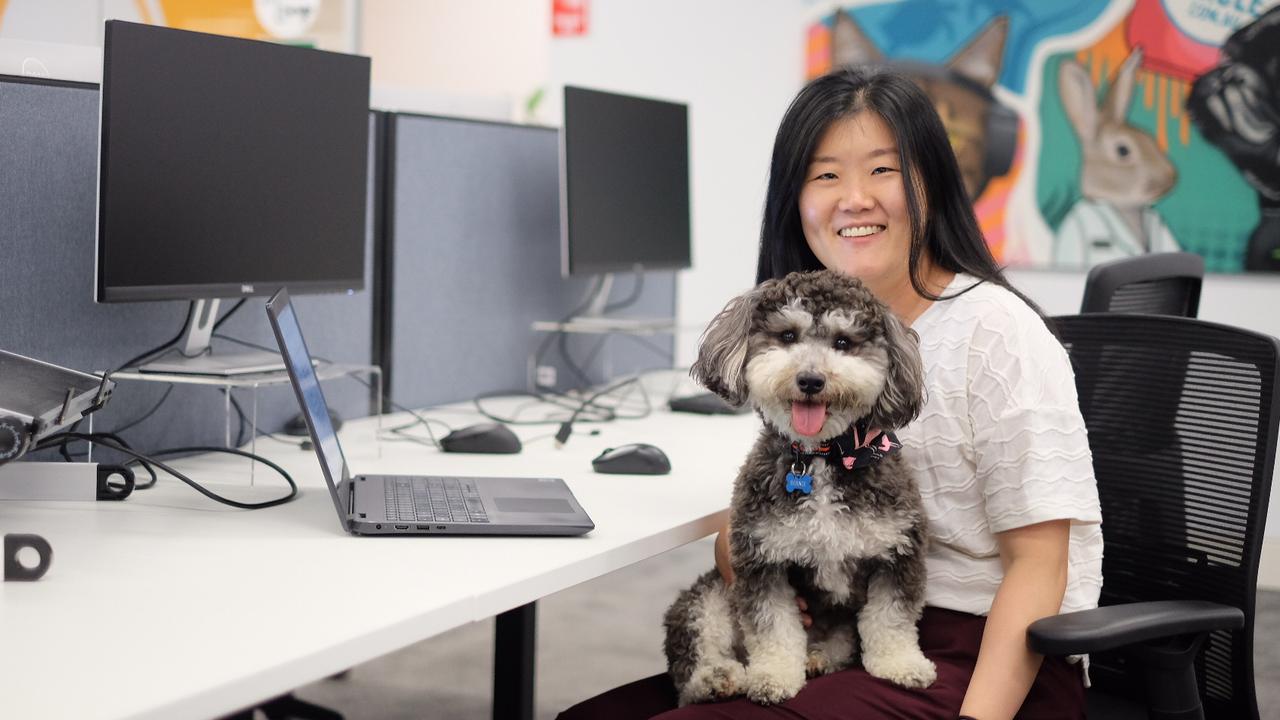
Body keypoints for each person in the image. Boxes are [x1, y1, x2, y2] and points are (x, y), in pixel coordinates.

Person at [558, 66, 1102, 720]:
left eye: (882, 171)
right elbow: (750, 540)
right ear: (795, 197)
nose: (854, 198)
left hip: (982, 657)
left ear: (933, 182)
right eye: (825, 175)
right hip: (834, 637)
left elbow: (1041, 569)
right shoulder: (799, 342)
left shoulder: (997, 333)